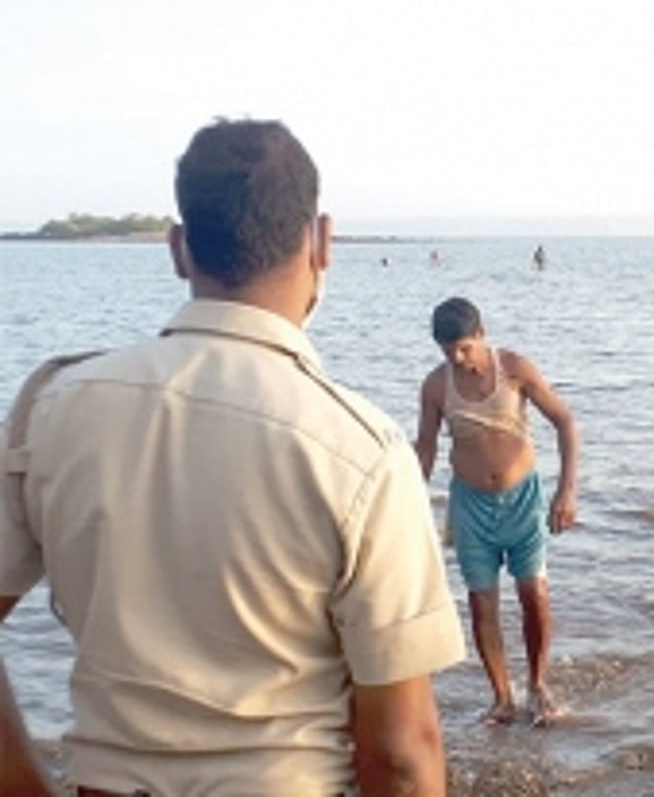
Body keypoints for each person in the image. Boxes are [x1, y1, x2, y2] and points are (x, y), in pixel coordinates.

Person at [0, 119, 465, 796]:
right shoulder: (361, 451)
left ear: (179, 248)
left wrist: (23, 784)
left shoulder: (51, 406)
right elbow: (400, 755)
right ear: (321, 242)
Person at [414, 297, 579, 727]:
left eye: (464, 348)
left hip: (522, 500)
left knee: (534, 593)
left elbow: (565, 422)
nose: (457, 358)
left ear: (481, 334)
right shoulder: (436, 386)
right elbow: (426, 448)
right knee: (481, 601)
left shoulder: (515, 369)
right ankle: (502, 697)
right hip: (470, 506)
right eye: (448, 351)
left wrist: (566, 492)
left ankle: (538, 684)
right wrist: (409, 503)